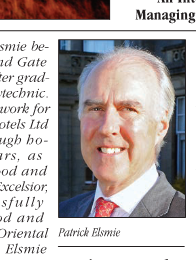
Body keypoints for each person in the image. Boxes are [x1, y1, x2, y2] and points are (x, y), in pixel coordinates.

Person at [59, 48, 185, 217]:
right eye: (96, 108)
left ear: (161, 127)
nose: (107, 128)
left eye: (128, 109)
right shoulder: (63, 212)